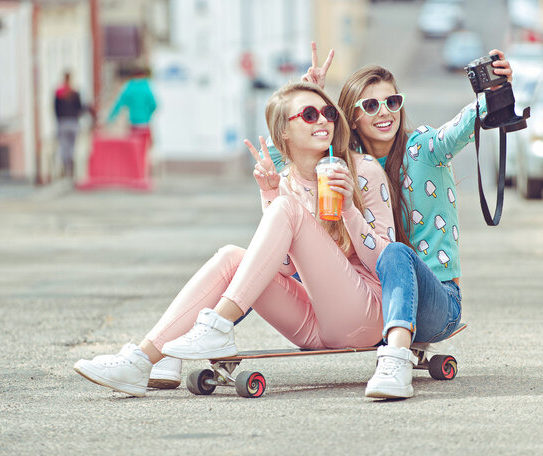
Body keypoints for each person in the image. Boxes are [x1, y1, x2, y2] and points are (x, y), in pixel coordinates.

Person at [73, 81, 395, 397]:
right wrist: (270, 192)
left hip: (365, 315)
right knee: (231, 256)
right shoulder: (285, 181)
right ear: (284, 130)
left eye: (328, 112)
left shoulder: (362, 169)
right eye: (309, 114)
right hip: (314, 324)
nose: (323, 119)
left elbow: (389, 262)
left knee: (285, 209)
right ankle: (140, 362)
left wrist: (350, 210)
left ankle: (218, 325)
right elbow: (281, 269)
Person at [281, 42, 512, 399]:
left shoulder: (423, 149)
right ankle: (195, 339)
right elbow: (287, 161)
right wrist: (307, 96)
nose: (385, 112)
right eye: (371, 105)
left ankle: (396, 362)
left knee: (395, 253)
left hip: (438, 302)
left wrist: (494, 91)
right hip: (370, 298)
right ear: (352, 116)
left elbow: (462, 126)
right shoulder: (344, 166)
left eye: (393, 102)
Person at [107, 66, 157, 151]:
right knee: (145, 149)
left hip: (133, 123)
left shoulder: (129, 87)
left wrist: (110, 118)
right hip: (145, 124)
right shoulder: (146, 86)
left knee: (134, 150)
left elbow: (119, 104)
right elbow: (154, 105)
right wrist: (147, 115)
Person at [54, 71, 84, 177]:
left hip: (62, 122)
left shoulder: (58, 93)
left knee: (63, 146)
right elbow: (80, 109)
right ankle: (70, 167)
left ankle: (65, 166)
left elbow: (55, 109)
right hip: (73, 122)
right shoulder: (75, 93)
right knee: (72, 146)